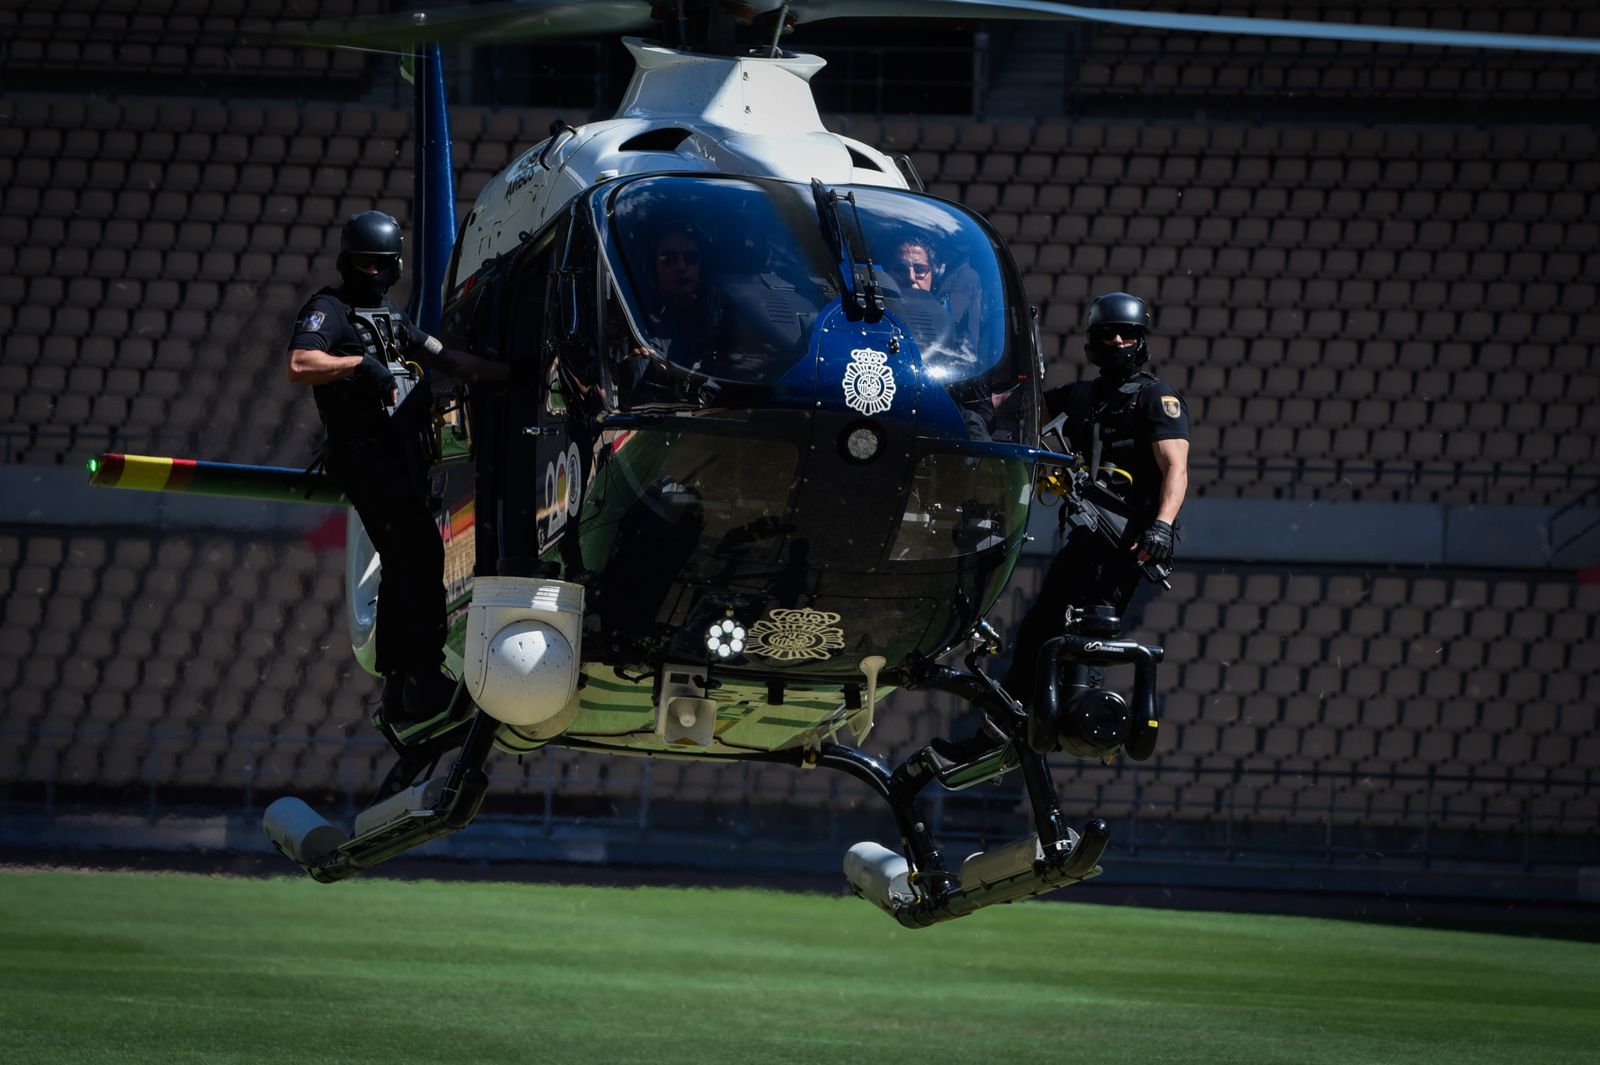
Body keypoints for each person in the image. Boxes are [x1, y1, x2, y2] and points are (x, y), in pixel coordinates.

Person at [286, 210, 507, 744]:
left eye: (382, 266)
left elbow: (446, 358)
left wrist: (511, 373)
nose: (373, 274)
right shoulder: (330, 310)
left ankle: (405, 686)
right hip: (368, 459)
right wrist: (358, 367)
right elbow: (300, 362)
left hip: (402, 459)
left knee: (415, 558)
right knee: (417, 557)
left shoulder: (391, 321)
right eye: (364, 264)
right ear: (347, 262)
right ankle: (416, 679)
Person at [1003, 291, 1190, 705]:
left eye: (1127, 334)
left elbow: (1176, 468)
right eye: (1109, 334)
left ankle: (1073, 715)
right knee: (1038, 628)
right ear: (1092, 341)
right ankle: (1006, 724)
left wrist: (1161, 526)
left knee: (1089, 631)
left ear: (1141, 340)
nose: (1119, 343)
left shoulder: (1156, 398)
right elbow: (1021, 407)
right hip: (1087, 535)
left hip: (1128, 541)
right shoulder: (1082, 396)